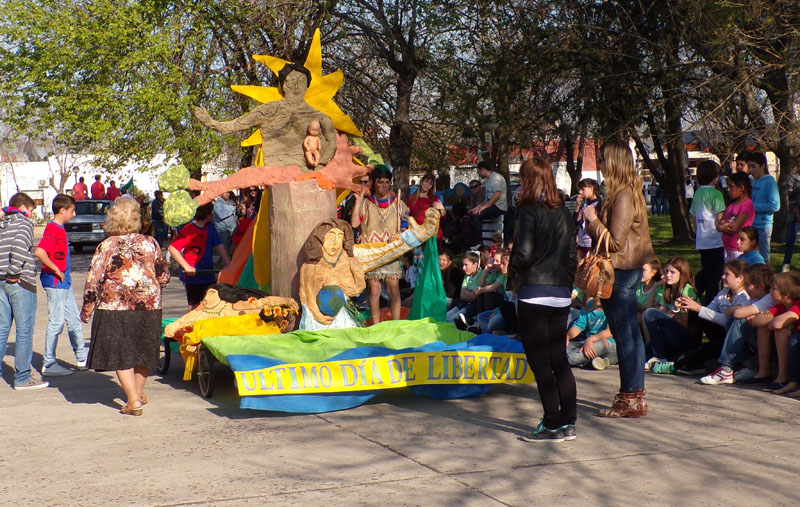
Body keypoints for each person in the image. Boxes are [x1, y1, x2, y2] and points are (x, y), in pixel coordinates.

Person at [583, 138, 657, 418]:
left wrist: (591, 218)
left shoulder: (623, 195)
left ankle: (628, 398)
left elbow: (614, 241)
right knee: (631, 336)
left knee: (625, 336)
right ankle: (635, 397)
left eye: (601, 160)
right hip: (628, 269)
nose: (599, 165)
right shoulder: (626, 192)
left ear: (612, 162)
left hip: (622, 272)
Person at [80, 197, 170, 415]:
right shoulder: (151, 242)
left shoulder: (107, 246)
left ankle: (133, 401)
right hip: (149, 304)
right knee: (144, 350)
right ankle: (138, 393)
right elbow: (164, 275)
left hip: (115, 306)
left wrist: (87, 307)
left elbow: (94, 279)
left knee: (122, 353)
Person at [510, 157, 577, 443]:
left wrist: (512, 268)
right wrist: (566, 282)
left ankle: (551, 423)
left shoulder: (528, 211)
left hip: (535, 292)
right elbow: (573, 256)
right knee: (559, 360)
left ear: (528, 180)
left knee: (540, 364)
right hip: (560, 291)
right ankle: (568, 421)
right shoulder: (563, 212)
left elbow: (523, 254)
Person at [34, 194, 88, 377]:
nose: (74, 214)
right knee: (56, 323)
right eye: (72, 211)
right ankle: (49, 363)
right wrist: (56, 269)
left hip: (64, 283)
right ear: (62, 210)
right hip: (56, 283)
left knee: (74, 321)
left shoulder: (60, 228)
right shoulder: (53, 228)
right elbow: (40, 251)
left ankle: (82, 359)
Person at [0, 193, 49, 390]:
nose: (31, 215)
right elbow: (20, 247)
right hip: (20, 282)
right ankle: (22, 377)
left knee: (2, 329)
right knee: (24, 330)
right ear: (23, 208)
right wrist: (14, 272)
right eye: (30, 210)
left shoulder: (2, 224)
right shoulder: (24, 224)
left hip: (1, 281)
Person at [350, 165, 408, 325]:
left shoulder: (398, 204)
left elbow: (407, 224)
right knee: (374, 290)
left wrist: (401, 232)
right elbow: (355, 223)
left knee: (393, 289)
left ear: (391, 183)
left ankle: (396, 325)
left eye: (386, 182)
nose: (383, 186)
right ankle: (376, 327)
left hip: (390, 252)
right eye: (380, 182)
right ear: (374, 183)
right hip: (372, 252)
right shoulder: (367, 204)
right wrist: (359, 201)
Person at [673, 260, 750, 373]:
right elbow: (708, 311)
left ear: (740, 278)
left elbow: (727, 321)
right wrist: (688, 304)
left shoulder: (745, 297)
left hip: (735, 338)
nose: (722, 277)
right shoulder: (724, 292)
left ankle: (689, 362)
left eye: (727, 274)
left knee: (711, 346)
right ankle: (689, 352)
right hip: (720, 333)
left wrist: (698, 308)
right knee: (696, 315)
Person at [700, 264, 772, 385]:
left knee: (739, 319)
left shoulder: (768, 298)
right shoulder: (754, 298)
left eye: (748, 285)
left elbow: (738, 313)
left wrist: (743, 311)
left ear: (760, 286)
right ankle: (746, 366)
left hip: (769, 340)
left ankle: (726, 368)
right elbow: (730, 312)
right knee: (733, 318)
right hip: (756, 340)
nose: (746, 289)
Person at [168, 202, 231, 311]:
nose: (213, 215)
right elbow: (172, 248)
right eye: (212, 213)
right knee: (194, 305)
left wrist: (228, 263)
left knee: (211, 303)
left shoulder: (210, 228)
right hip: (193, 275)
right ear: (207, 215)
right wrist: (186, 267)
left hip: (207, 272)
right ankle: (191, 326)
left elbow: (219, 245)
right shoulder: (189, 229)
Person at [642, 257, 700, 372]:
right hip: (669, 336)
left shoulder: (686, 291)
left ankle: (661, 357)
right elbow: (654, 310)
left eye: (672, 272)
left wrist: (671, 314)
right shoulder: (667, 289)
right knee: (640, 353)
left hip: (686, 338)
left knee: (650, 314)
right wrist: (655, 286)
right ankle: (669, 357)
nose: (668, 275)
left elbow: (684, 324)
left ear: (682, 274)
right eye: (666, 271)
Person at [690, 160, 725, 305]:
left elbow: (693, 214)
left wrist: (697, 231)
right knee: (715, 275)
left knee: (706, 269)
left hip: (702, 240)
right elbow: (720, 216)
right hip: (715, 240)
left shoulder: (698, 193)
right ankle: (711, 302)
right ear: (716, 177)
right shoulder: (716, 194)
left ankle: (694, 291)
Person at [566, 298, 617, 370]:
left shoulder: (614, 305)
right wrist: (567, 337)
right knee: (561, 349)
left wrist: (591, 339)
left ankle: (580, 361)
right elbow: (579, 326)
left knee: (571, 358)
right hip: (588, 342)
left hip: (608, 345)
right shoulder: (589, 304)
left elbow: (610, 332)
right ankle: (596, 361)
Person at [749, 151, 779, 263]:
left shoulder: (770, 182)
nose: (751, 170)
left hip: (763, 225)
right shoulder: (752, 181)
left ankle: (768, 279)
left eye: (754, 166)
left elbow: (775, 205)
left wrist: (753, 206)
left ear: (762, 166)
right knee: (752, 256)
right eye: (749, 166)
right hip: (752, 224)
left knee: (763, 257)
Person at [717, 172, 754, 262]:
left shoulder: (747, 204)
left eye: (731, 187)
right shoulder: (731, 204)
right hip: (727, 247)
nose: (728, 189)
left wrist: (722, 227)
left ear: (741, 188)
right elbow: (720, 221)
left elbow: (735, 226)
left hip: (737, 248)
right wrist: (722, 226)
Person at [446, 251, 482, 325]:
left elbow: (474, 297)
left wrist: (468, 293)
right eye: (463, 265)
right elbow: (462, 296)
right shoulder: (467, 276)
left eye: (466, 265)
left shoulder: (481, 275)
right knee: (446, 317)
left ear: (475, 264)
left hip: (474, 306)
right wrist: (470, 294)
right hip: (465, 303)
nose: (463, 268)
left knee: (453, 321)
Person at [469, 161, 507, 225]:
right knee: (471, 214)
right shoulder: (487, 180)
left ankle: (478, 235)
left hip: (498, 207)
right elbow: (487, 199)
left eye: (479, 172)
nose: (479, 174)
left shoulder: (496, 178)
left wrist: (484, 207)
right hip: (491, 205)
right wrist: (478, 207)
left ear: (483, 169)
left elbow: (497, 195)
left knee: (476, 216)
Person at [574, 178, 602, 260]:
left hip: (590, 243)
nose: (580, 192)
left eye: (583, 189)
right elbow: (574, 221)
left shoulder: (598, 204)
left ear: (591, 188)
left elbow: (591, 225)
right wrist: (578, 205)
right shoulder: (584, 203)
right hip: (581, 242)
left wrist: (580, 221)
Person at [781, 155, 800, 272]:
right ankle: (786, 263)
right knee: (790, 239)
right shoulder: (792, 178)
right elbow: (790, 196)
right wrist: (797, 212)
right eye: (797, 162)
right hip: (793, 213)